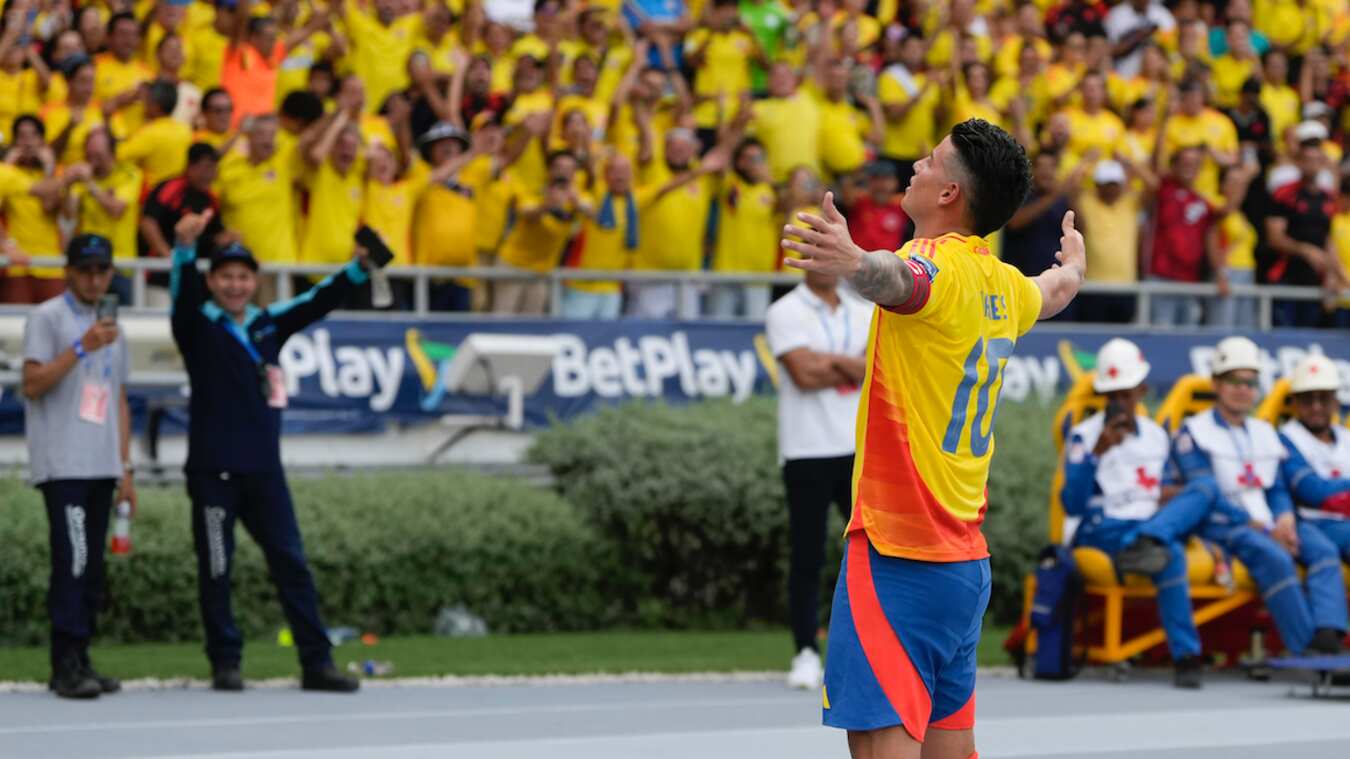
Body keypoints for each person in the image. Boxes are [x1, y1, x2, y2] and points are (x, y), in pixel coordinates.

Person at [781, 118, 1086, 759]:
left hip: (899, 556)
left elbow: (902, 283)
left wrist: (854, 261)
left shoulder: (933, 268)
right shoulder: (1003, 283)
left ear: (950, 194)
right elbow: (1049, 291)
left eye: (930, 160)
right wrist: (1072, 273)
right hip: (965, 564)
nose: (916, 164)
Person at [168, 208, 365, 693]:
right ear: (212, 281)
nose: (235, 285)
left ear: (255, 281)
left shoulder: (267, 325)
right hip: (213, 473)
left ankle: (317, 664)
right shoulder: (196, 324)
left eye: (243, 277)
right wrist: (184, 251)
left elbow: (318, 301)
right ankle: (225, 663)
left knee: (292, 566)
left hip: (264, 474)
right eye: (225, 277)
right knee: (217, 570)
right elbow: (181, 294)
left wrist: (359, 267)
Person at [1170, 337, 1348, 658]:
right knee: (1275, 557)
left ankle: (1328, 636)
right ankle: (1307, 649)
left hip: (1267, 522)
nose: (1243, 389)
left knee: (1322, 549)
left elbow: (1276, 488)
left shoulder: (1264, 432)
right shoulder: (1192, 432)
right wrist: (1264, 529)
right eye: (1234, 381)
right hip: (1223, 525)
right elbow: (1206, 494)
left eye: (1250, 382)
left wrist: (1285, 518)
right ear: (1216, 384)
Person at [1061, 338, 1215, 688]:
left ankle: (1145, 542)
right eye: (1112, 395)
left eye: (1126, 394)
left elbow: (1160, 488)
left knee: (1202, 490)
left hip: (1149, 522)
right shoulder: (1084, 437)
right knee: (1171, 552)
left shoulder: (1158, 436)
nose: (1119, 403)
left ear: (1142, 390)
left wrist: (1171, 496)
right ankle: (1186, 656)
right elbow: (1072, 503)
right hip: (1105, 527)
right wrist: (1097, 453)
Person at [21, 233, 134, 699]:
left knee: (92, 570)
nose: (93, 278)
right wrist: (82, 347)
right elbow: (32, 383)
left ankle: (81, 657)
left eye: (101, 270)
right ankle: (64, 663)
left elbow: (119, 398)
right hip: (64, 463)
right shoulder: (46, 316)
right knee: (73, 562)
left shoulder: (112, 324)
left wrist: (126, 467)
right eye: (85, 270)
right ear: (70, 271)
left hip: (102, 463)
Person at [764, 269, 872, 691]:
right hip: (805, 448)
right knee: (807, 557)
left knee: (869, 555)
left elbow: (880, 367)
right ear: (805, 262)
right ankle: (805, 651)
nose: (828, 264)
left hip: (857, 448)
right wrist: (852, 366)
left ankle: (867, 650)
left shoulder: (864, 311)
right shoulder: (785, 311)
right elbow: (803, 377)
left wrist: (828, 361)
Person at [1277, 354, 1350, 560]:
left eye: (1324, 398)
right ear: (1296, 403)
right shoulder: (1285, 439)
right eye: (1308, 399)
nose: (1316, 406)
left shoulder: (1346, 437)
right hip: (1313, 524)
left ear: (1335, 402)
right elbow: (1313, 491)